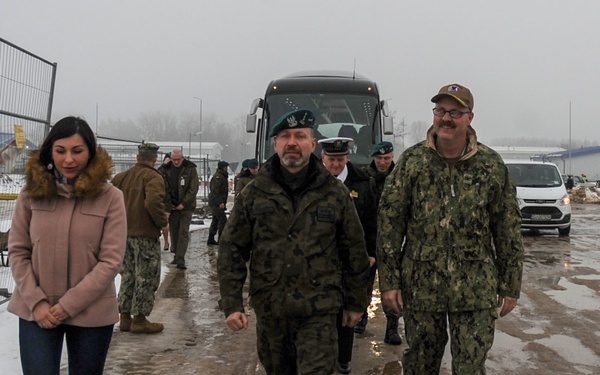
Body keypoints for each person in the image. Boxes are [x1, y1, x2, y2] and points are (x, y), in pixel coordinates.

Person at [377, 83, 525, 374]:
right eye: (440, 110)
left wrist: (510, 284)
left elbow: (507, 226)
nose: (445, 118)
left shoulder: (490, 165)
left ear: (469, 118)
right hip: (421, 284)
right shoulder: (412, 162)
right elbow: (389, 223)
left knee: (470, 367)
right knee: (420, 363)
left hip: (476, 286)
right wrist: (390, 280)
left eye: (454, 112)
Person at [217, 109, 371, 375]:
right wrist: (232, 304)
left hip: (319, 312)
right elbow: (231, 249)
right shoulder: (255, 192)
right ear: (275, 144)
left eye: (300, 136)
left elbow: (354, 249)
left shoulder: (334, 192)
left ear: (312, 144)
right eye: (285, 136)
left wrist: (357, 302)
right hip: (271, 312)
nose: (292, 142)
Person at [7, 116, 127, 374]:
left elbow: (111, 261)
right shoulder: (30, 195)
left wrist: (68, 305)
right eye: (60, 151)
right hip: (36, 312)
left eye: (77, 151)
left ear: (91, 153)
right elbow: (18, 251)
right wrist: (37, 303)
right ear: (50, 151)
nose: (68, 160)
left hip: (91, 312)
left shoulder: (111, 198)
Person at [319, 137, 377, 374]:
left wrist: (371, 253)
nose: (336, 165)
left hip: (350, 260)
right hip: (318, 260)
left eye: (340, 160)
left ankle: (343, 360)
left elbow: (372, 221)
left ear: (348, 158)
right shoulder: (311, 182)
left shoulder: (362, 184)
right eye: (331, 160)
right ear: (322, 158)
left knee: (347, 311)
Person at [111, 143, 168, 334]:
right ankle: (140, 319)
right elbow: (153, 201)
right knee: (146, 277)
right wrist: (161, 221)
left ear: (137, 158)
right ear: (154, 159)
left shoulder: (120, 178)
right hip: (145, 235)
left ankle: (125, 317)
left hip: (122, 235)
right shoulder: (153, 177)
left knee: (127, 275)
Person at [357, 140, 402, 345]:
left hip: (393, 242)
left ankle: (392, 327)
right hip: (369, 239)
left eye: (387, 158)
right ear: (373, 158)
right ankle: (361, 318)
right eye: (379, 158)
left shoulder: (400, 177)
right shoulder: (364, 177)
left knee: (393, 285)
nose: (383, 162)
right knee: (363, 284)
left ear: (392, 157)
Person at [158, 149, 199, 270]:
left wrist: (184, 203)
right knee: (174, 232)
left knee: (183, 232)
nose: (176, 162)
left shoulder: (190, 169)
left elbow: (193, 188)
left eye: (178, 159)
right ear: (170, 159)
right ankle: (176, 255)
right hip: (172, 206)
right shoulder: (165, 170)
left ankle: (181, 259)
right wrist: (168, 204)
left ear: (183, 158)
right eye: (174, 159)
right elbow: (163, 187)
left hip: (186, 207)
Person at [207, 160, 229, 245]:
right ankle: (221, 239)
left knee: (215, 220)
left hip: (217, 202)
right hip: (215, 203)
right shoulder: (218, 177)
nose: (227, 169)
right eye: (226, 167)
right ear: (223, 168)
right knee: (223, 220)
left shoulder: (222, 176)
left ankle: (211, 239)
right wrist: (220, 202)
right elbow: (215, 191)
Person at [161, 153, 171, 251]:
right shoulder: (161, 172)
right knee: (165, 224)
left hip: (174, 201)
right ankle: (166, 242)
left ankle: (172, 242)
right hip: (164, 200)